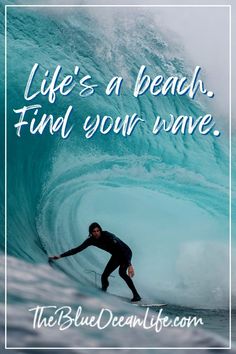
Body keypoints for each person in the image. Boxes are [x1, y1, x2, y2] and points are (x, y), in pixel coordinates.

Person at [49, 222, 141, 302]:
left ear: (100, 230)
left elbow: (121, 248)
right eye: (94, 231)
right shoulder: (91, 241)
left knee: (121, 273)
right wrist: (60, 256)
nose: (96, 233)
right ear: (91, 233)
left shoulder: (108, 236)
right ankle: (103, 292)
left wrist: (129, 264)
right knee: (104, 276)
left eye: (98, 231)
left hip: (125, 252)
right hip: (116, 255)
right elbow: (77, 249)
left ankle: (136, 296)